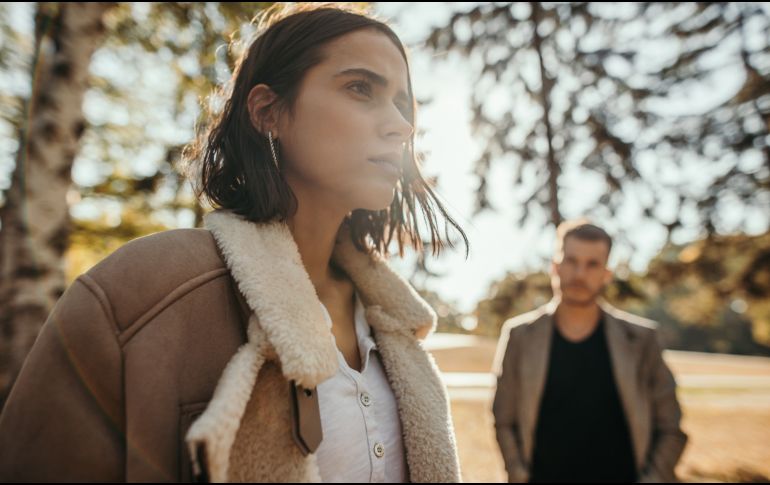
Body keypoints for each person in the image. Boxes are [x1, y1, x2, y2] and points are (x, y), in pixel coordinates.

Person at [0, 4, 466, 482]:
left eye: (403, 104)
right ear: (268, 112)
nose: (400, 126)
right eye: (360, 88)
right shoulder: (141, 292)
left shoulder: (398, 327)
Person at [492, 220, 687, 483]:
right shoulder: (520, 336)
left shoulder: (642, 339)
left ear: (606, 273)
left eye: (592, 264)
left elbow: (670, 427)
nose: (579, 273)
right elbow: (504, 419)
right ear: (555, 267)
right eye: (571, 260)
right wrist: (518, 473)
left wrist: (653, 478)